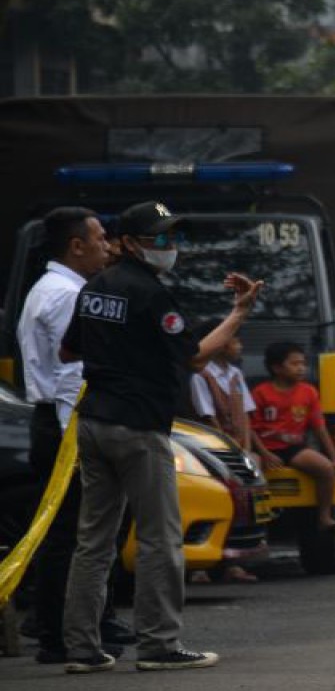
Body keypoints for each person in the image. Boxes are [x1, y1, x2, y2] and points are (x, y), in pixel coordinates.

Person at [60, 200, 263, 673]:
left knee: (93, 541)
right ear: (128, 242)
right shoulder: (151, 294)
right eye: (159, 238)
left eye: (173, 236)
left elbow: (69, 349)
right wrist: (238, 314)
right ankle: (158, 644)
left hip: (92, 423)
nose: (169, 246)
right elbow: (194, 357)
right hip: (138, 428)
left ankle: (83, 648)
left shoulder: (94, 287)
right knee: (160, 538)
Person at [17, 206, 126, 664]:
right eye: (100, 238)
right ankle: (57, 634)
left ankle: (82, 622)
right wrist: (74, 442)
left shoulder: (65, 288)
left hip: (64, 422)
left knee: (83, 531)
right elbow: (71, 373)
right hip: (66, 425)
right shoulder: (64, 295)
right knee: (72, 535)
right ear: (76, 245)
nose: (108, 246)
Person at [188, 319, 261, 583]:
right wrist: (231, 452)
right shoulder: (200, 376)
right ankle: (200, 567)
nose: (239, 345)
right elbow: (208, 419)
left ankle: (234, 561)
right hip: (214, 451)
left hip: (238, 450)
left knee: (243, 506)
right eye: (233, 339)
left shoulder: (235, 375)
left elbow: (246, 416)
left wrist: (249, 451)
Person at [250, 341, 335, 533]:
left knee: (326, 469)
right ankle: (256, 522)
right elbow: (251, 428)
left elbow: (319, 427)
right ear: (277, 368)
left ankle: (324, 517)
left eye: (303, 363)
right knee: (250, 471)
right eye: (294, 364)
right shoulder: (260, 393)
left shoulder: (309, 392)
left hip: (294, 448)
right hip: (264, 448)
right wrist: (265, 453)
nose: (301, 368)